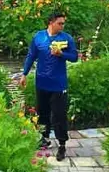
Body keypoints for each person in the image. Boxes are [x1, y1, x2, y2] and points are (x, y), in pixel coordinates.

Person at [18, 11, 78, 161]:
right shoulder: (39, 37)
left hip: (58, 85)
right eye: (60, 23)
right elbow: (31, 55)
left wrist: (61, 55)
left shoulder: (66, 39)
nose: (62, 26)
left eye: (63, 23)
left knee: (59, 115)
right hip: (42, 83)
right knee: (42, 113)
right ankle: (44, 139)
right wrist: (24, 74)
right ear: (51, 22)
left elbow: (75, 57)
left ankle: (62, 145)